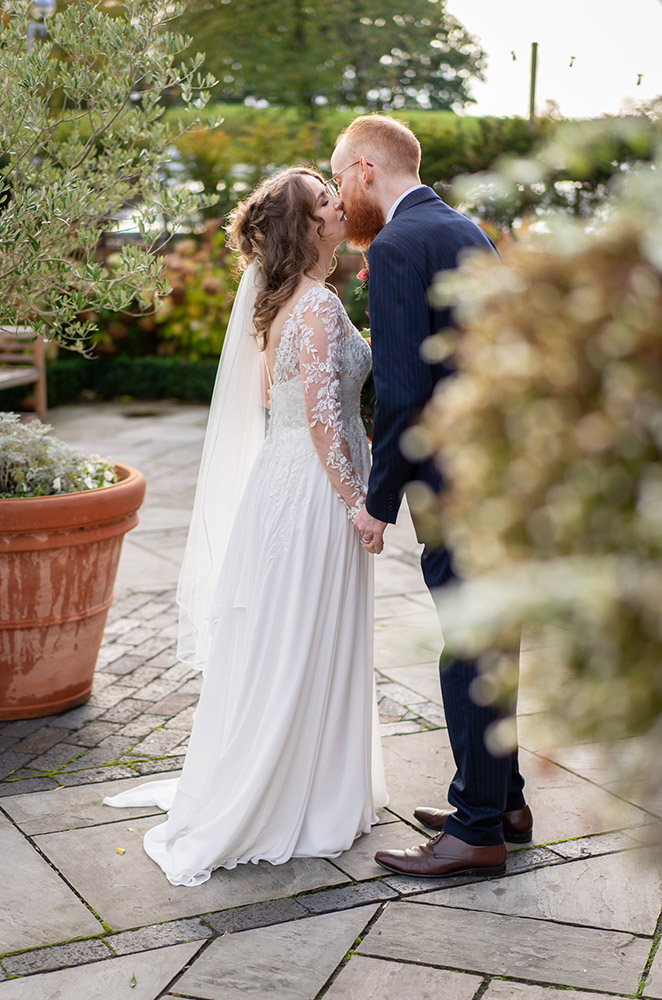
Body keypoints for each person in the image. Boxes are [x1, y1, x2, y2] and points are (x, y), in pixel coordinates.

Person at [104, 167, 387, 886]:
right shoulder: (317, 305)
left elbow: (281, 397)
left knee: (290, 632)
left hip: (283, 482)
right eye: (326, 198)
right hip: (319, 490)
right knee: (306, 632)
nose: (339, 201)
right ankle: (306, 793)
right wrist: (358, 501)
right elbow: (323, 418)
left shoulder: (289, 301)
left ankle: (299, 776)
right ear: (309, 227)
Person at [330, 114, 532, 879]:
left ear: (367, 171)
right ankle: (499, 798)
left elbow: (406, 392)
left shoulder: (396, 243)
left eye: (340, 173)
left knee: (468, 652)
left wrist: (378, 502)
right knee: (493, 642)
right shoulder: (463, 230)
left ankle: (477, 831)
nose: (340, 191)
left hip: (460, 486)